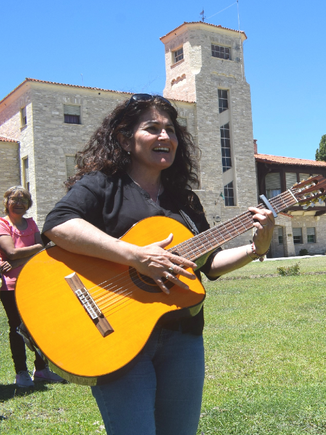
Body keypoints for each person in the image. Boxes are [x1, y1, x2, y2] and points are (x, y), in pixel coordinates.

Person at [41, 94, 275, 434]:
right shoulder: (103, 185)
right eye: (152, 128)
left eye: (171, 130)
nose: (165, 137)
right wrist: (136, 256)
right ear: (124, 138)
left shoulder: (184, 201)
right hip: (116, 334)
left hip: (183, 338)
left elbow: (210, 265)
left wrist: (257, 247)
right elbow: (58, 224)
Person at [0, 186, 65, 388]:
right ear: (7, 202)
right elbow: (10, 252)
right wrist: (37, 247)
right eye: (15, 199)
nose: (19, 204)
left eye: (24, 200)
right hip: (10, 285)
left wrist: (21, 260)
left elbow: (39, 253)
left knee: (39, 325)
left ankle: (42, 370)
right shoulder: (2, 224)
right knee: (17, 327)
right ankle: (21, 373)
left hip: (34, 280)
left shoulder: (31, 223)